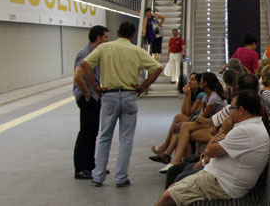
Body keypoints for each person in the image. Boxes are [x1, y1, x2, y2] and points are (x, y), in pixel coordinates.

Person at [74, 21, 163, 187]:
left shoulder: (104, 48)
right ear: (132, 35)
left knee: (104, 137)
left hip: (109, 96)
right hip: (130, 96)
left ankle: (98, 176)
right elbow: (158, 68)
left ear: (117, 32)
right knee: (126, 139)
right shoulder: (137, 50)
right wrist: (143, 86)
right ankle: (121, 177)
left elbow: (85, 65)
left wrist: (95, 86)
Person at [156, 90, 270, 206]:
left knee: (167, 197)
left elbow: (209, 151)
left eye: (232, 108)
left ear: (240, 110)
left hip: (222, 183)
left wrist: (225, 130)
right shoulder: (251, 126)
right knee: (174, 187)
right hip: (222, 177)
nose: (230, 112)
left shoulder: (245, 130)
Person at [72, 25, 109, 180]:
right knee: (85, 132)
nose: (107, 40)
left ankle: (90, 165)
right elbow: (77, 77)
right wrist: (87, 94)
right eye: (106, 37)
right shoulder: (85, 54)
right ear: (98, 38)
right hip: (87, 99)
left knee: (93, 132)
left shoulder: (96, 53)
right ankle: (80, 168)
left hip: (94, 98)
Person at [150, 73, 204, 158]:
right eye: (189, 79)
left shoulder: (201, 95)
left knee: (179, 118)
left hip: (200, 121)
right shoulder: (192, 93)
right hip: (193, 119)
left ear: (199, 84)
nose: (189, 81)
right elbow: (184, 111)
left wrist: (188, 95)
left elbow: (190, 113)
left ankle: (165, 147)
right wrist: (187, 96)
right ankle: (169, 154)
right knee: (177, 125)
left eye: (193, 80)